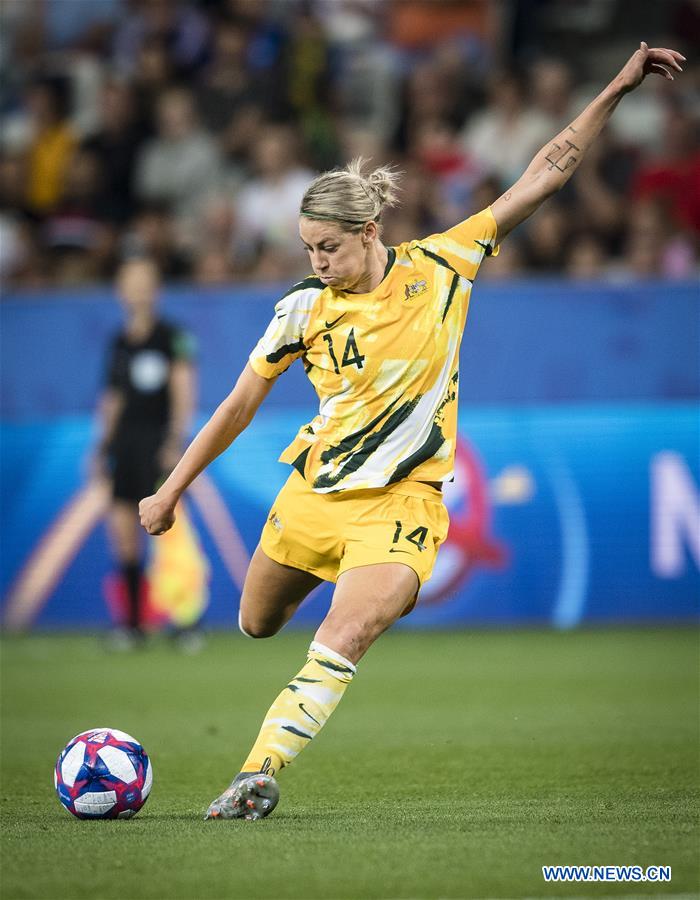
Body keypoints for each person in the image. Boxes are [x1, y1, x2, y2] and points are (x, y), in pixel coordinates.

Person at [138, 43, 684, 819]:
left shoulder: (443, 265)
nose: (318, 262)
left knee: (347, 632)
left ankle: (258, 771)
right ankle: (320, 594)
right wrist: (170, 490)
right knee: (255, 623)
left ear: (367, 231)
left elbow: (549, 169)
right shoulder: (301, 308)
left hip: (404, 503)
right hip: (315, 494)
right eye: (309, 250)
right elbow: (235, 405)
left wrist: (617, 89)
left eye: (328, 247)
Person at [95, 257, 196, 646]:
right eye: (129, 282)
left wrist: (175, 440)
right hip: (125, 444)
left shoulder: (173, 337)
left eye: (144, 281)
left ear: (157, 289)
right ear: (120, 290)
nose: (137, 289)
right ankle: (133, 624)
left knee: (170, 537)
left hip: (157, 444)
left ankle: (184, 621)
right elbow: (114, 397)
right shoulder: (119, 342)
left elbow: (183, 391)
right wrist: (102, 445)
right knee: (124, 534)